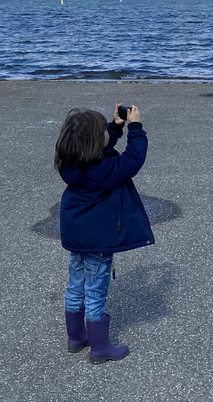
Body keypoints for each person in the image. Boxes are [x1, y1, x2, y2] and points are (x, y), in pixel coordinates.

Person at [54, 103, 154, 362]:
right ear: (95, 143)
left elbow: (101, 149)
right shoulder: (104, 170)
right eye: (103, 134)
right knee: (95, 292)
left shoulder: (72, 163)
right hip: (99, 240)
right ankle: (100, 348)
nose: (107, 137)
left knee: (75, 286)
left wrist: (114, 128)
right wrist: (135, 128)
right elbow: (133, 159)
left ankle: (76, 338)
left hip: (77, 237)